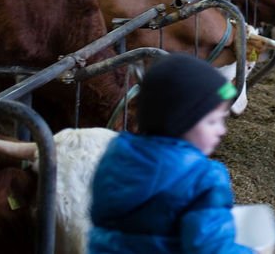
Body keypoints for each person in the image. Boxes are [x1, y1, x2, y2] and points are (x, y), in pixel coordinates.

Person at [89, 53, 255, 253]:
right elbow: (210, 247)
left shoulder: (115, 155)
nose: (222, 130)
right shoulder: (203, 177)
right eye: (213, 121)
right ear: (182, 119)